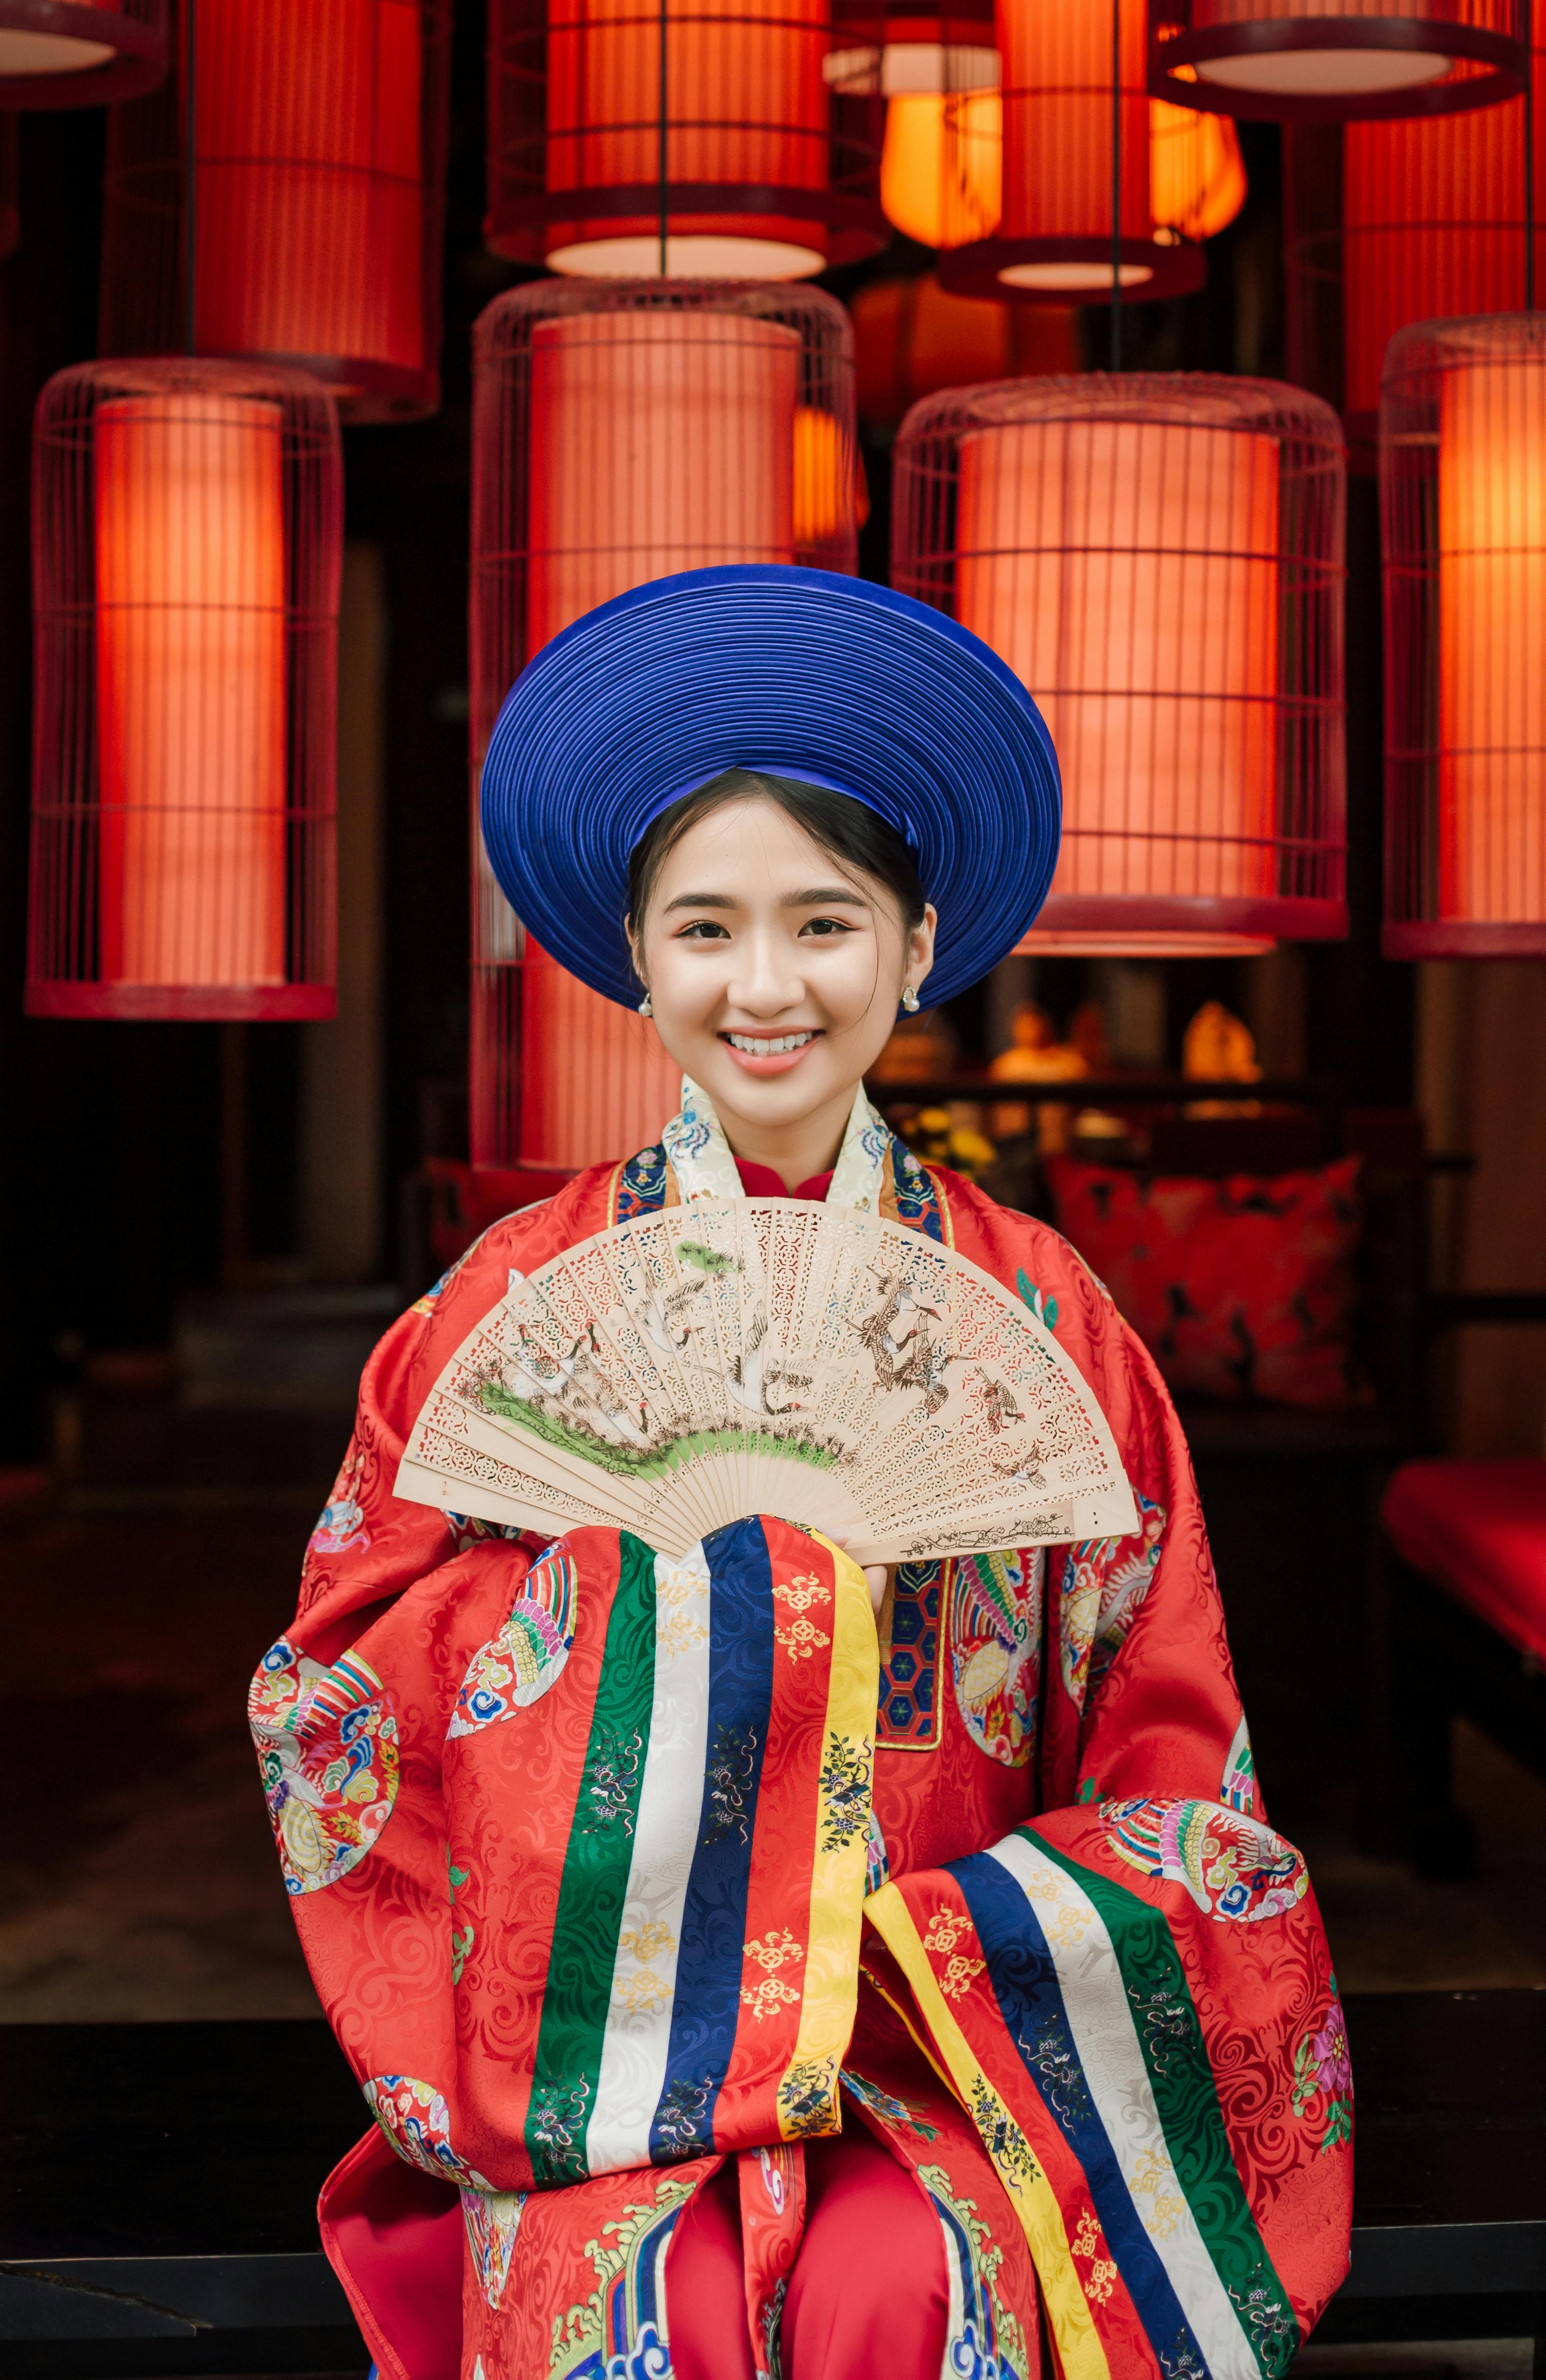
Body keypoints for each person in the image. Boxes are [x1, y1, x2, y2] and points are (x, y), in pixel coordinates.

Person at [250, 568, 1351, 2380]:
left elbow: (1175, 1754)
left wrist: (948, 1943)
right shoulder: (507, 1308)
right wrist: (678, 1611)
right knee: (656, 2299)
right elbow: (338, 1704)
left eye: (824, 923)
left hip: (956, 2031)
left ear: (919, 948)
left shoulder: (1045, 1315)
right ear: (635, 959)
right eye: (705, 930)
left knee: (896, 2281)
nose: (765, 988)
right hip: (598, 2043)